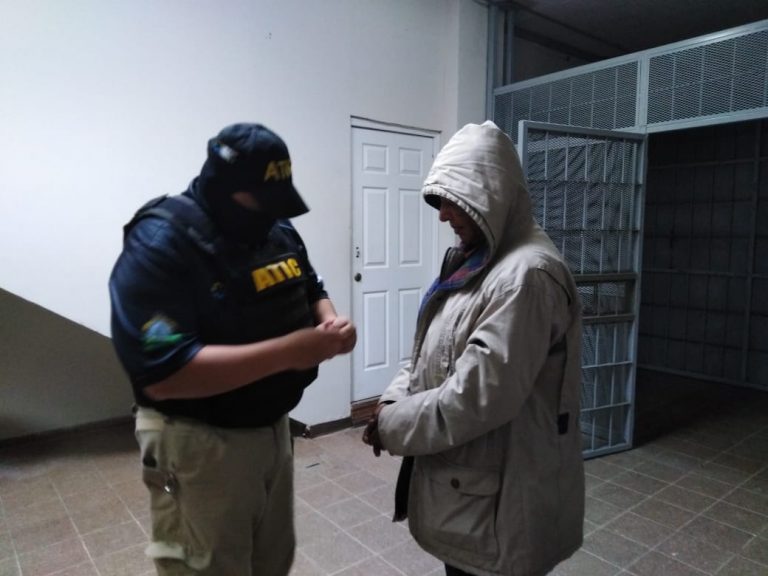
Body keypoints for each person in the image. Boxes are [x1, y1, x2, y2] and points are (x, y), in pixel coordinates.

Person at [109, 122, 356, 576]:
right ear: (224, 187)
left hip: (273, 427)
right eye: (261, 202)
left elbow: (312, 287)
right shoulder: (162, 240)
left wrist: (330, 322)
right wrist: (292, 351)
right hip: (199, 439)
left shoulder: (275, 229)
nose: (270, 215)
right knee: (210, 567)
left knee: (271, 561)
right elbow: (163, 375)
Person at [363, 121, 584, 576]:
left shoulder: (525, 277)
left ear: (491, 195)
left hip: (500, 504)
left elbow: (477, 396)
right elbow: (428, 351)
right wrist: (391, 400)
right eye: (439, 201)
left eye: (452, 201)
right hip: (471, 489)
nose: (443, 215)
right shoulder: (479, 261)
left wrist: (390, 425)